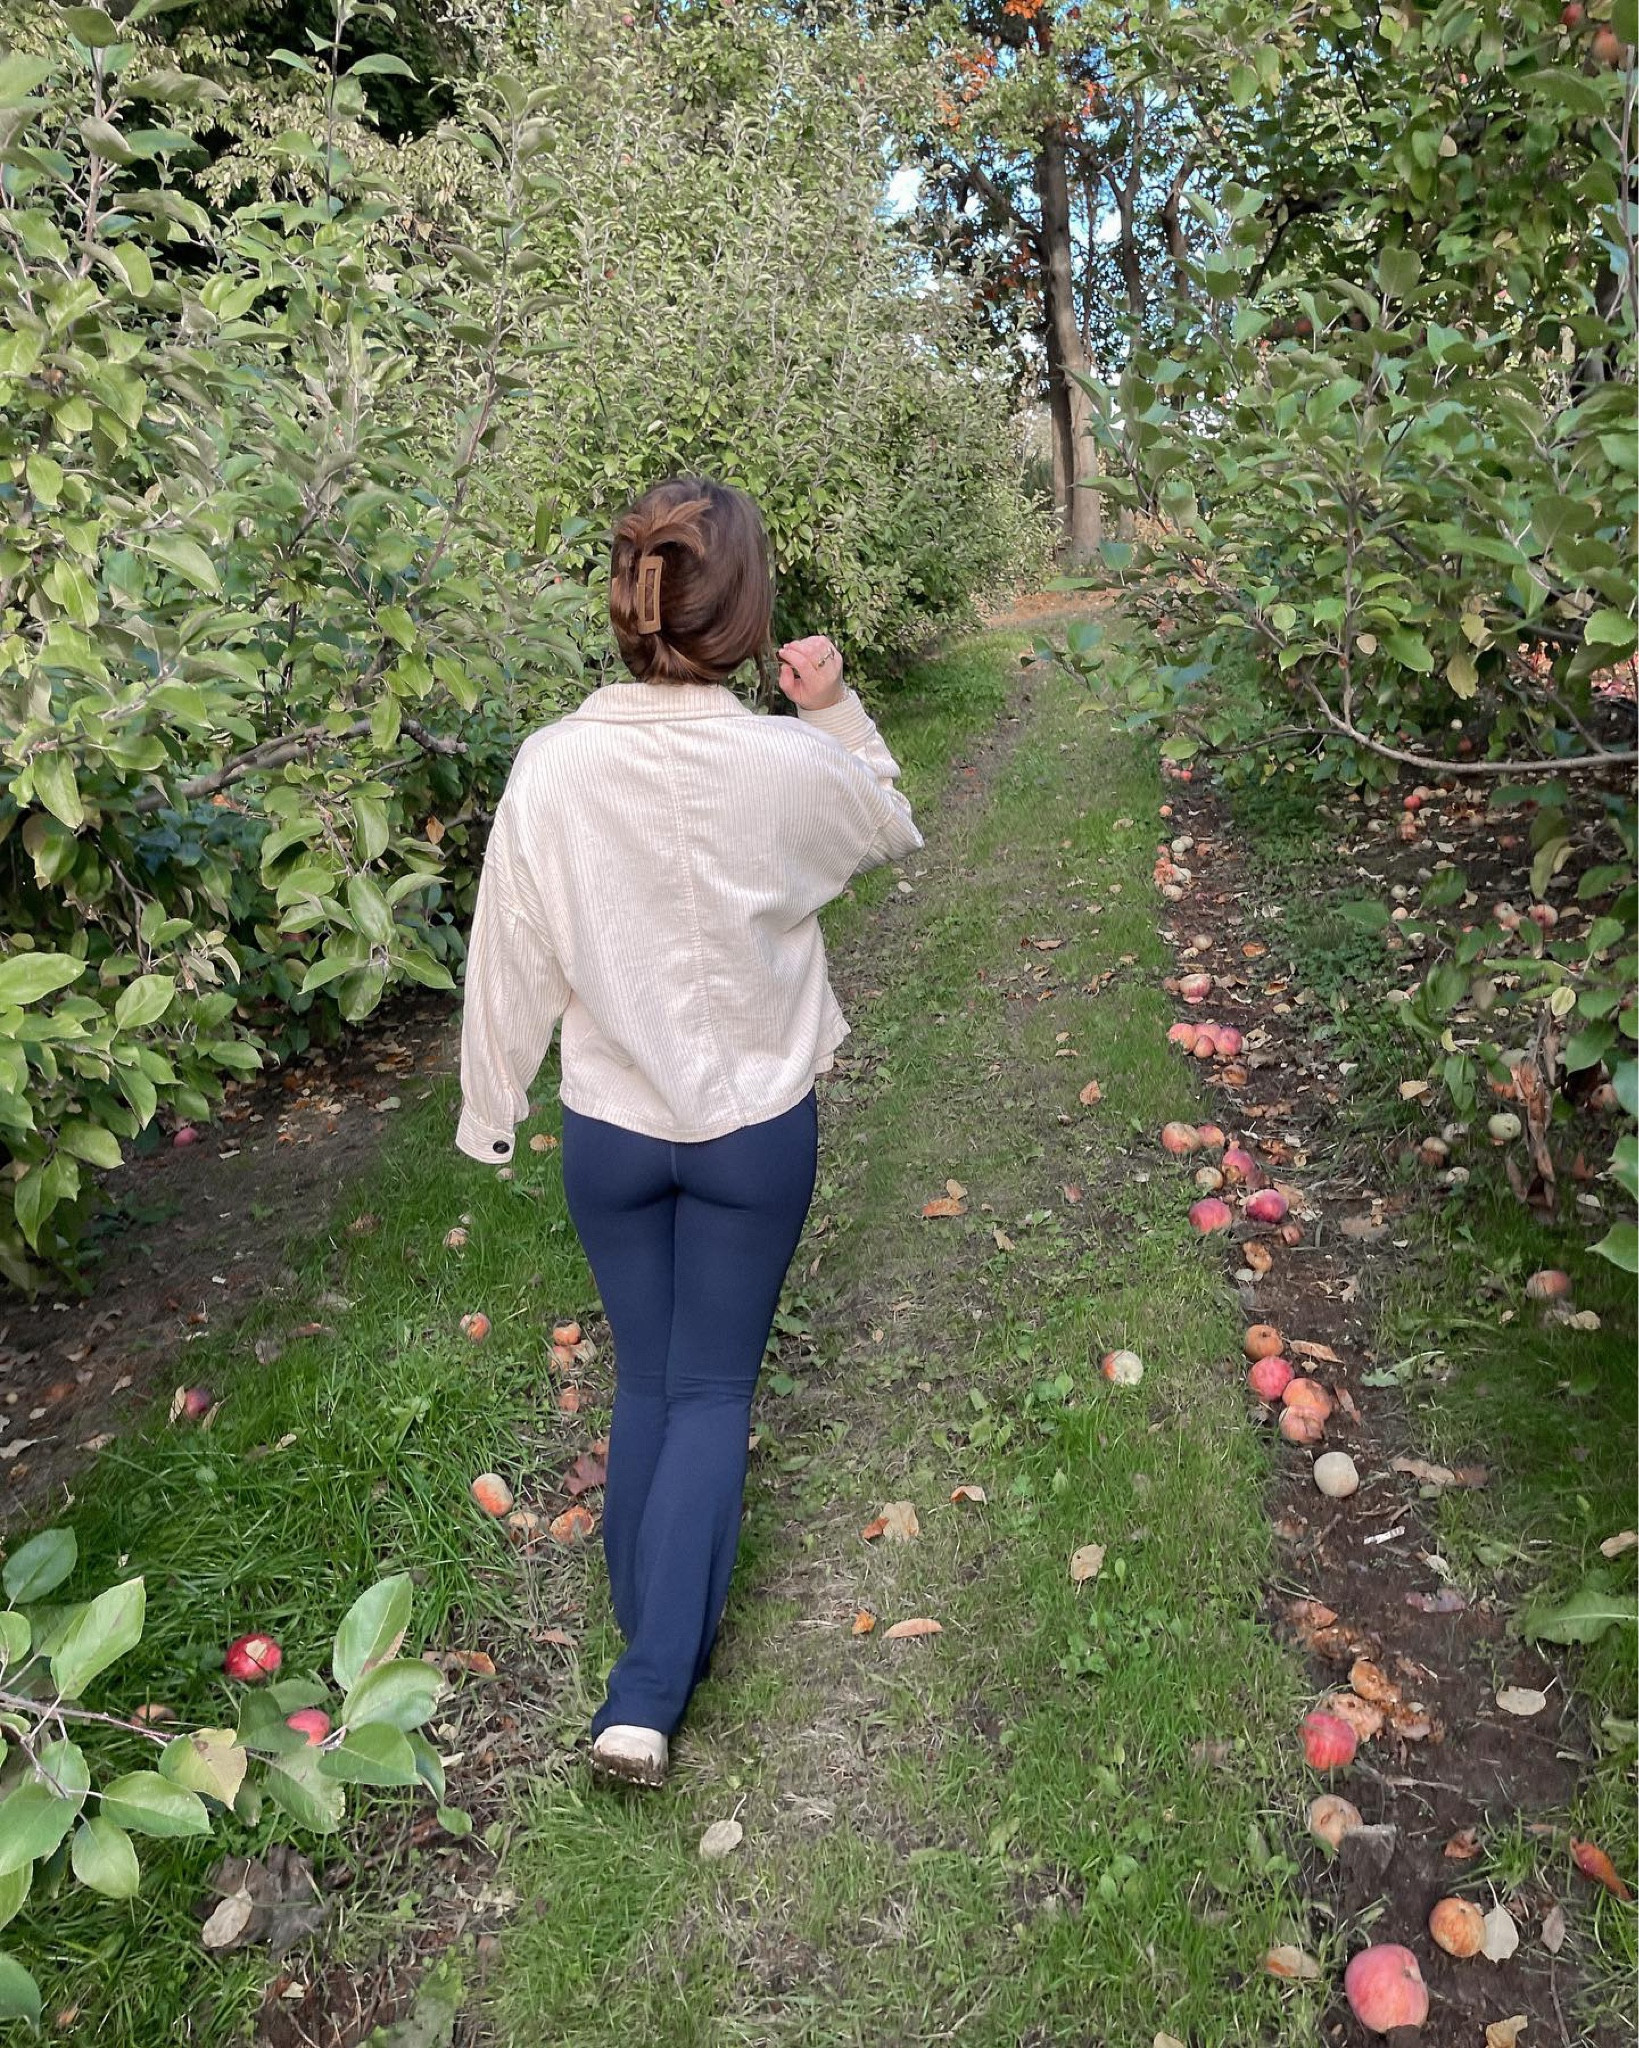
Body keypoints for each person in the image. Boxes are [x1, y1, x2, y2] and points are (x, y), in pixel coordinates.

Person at [455, 475, 922, 1787]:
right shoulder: (780, 764)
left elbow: (510, 955)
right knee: (711, 1385)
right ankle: (651, 1683)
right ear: (746, 612)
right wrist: (827, 707)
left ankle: (652, 1636)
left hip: (610, 1130)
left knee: (650, 1379)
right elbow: (885, 821)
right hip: (749, 1131)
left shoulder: (551, 766)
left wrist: (493, 1111)